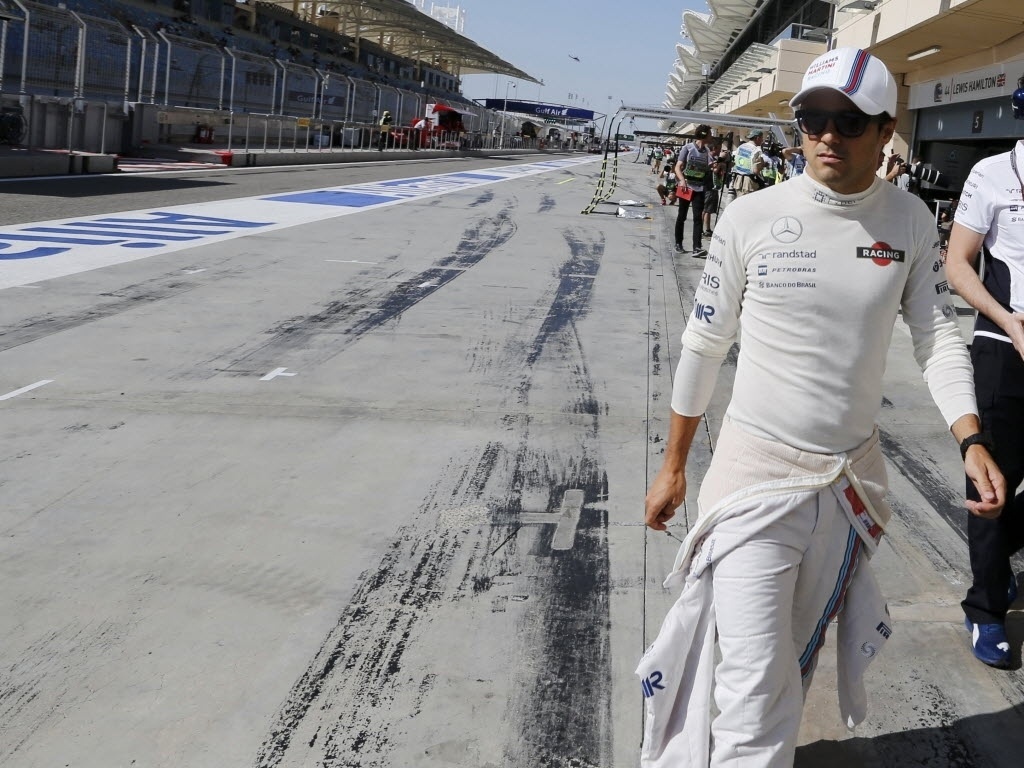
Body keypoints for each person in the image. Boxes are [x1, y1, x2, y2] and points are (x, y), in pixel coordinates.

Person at [639, 47, 1004, 768]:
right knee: (749, 684)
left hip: (846, 485)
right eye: (812, 119)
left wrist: (971, 438)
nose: (828, 135)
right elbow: (703, 345)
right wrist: (673, 466)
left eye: (849, 121)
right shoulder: (749, 217)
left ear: (884, 130)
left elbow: (936, 340)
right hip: (752, 478)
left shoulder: (909, 223)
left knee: (788, 671)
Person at [943, 78, 1024, 669]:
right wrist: (1008, 319)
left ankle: (997, 563)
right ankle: (986, 609)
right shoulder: (993, 174)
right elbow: (956, 265)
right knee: (993, 485)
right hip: (1004, 349)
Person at [673, 125, 714, 258]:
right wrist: (682, 180)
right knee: (682, 216)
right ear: (704, 135)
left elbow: (709, 167)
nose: (711, 136)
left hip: (700, 188)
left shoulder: (706, 150)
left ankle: (697, 247)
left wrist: (716, 165)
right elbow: (678, 167)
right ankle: (678, 243)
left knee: (697, 218)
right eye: (709, 134)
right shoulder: (688, 148)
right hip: (686, 187)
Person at [729, 128, 765, 197]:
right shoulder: (756, 150)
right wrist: (763, 165)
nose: (762, 140)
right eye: (762, 138)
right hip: (749, 183)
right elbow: (756, 170)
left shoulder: (740, 147)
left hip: (738, 181)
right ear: (757, 138)